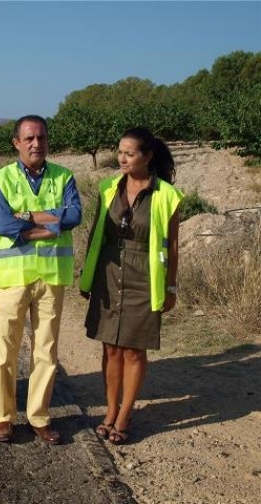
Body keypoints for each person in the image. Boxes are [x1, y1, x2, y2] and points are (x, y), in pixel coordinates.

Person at [80, 127, 183, 445]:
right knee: (109, 346)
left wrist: (170, 288)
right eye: (120, 152)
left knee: (134, 351)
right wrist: (88, 275)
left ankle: (124, 416)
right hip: (108, 274)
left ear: (147, 156)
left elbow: (174, 246)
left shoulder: (167, 196)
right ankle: (110, 412)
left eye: (129, 153)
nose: (122, 158)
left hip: (144, 276)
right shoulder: (108, 187)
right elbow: (96, 232)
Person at [0, 115, 82, 444]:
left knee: (46, 350)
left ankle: (39, 416)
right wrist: (52, 223)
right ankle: (2, 417)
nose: (36, 143)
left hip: (51, 276)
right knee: (5, 350)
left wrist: (28, 218)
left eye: (41, 137)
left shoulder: (64, 176)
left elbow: (75, 216)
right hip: (12, 277)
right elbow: (2, 225)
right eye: (28, 138)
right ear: (16, 143)